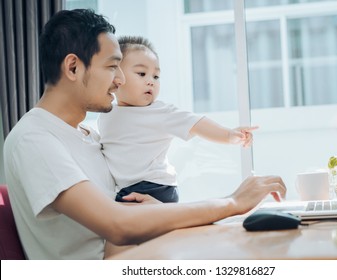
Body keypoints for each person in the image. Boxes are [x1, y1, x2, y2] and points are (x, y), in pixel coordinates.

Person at [3, 9, 286, 260]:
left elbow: (120, 211)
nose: (121, 79)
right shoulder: (34, 138)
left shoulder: (90, 135)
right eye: (113, 66)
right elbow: (117, 225)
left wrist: (155, 211)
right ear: (74, 67)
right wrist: (233, 203)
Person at [98, 36, 259, 203]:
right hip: (124, 187)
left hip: (154, 187)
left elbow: (197, 123)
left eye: (156, 76)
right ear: (117, 77)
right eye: (142, 74)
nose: (151, 82)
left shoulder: (160, 112)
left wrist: (229, 135)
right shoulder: (106, 111)